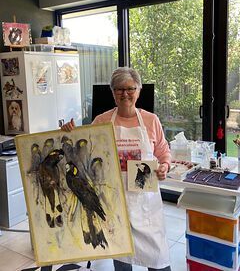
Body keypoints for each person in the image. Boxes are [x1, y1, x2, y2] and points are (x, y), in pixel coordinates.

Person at [62, 67, 171, 271]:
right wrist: (69, 133)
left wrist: (164, 166)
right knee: (122, 257)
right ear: (112, 92)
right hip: (114, 200)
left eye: (130, 88)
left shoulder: (150, 120)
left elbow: (163, 151)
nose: (125, 94)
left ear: (138, 91)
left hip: (144, 201)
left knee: (158, 258)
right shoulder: (102, 121)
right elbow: (82, 149)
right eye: (119, 89)